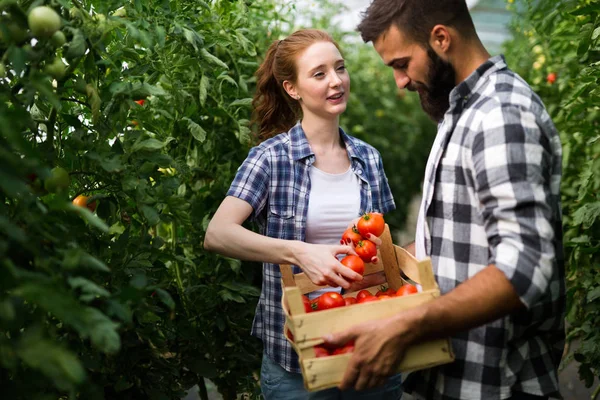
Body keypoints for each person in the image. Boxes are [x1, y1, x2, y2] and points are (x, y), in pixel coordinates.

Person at [323, 1, 565, 400]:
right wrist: (388, 268)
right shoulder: (460, 111)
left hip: (500, 382)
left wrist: (407, 325)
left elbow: (524, 263)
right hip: (459, 375)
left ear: (440, 38)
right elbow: (465, 239)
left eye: (402, 63)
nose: (400, 81)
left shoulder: (500, 114)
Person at [203, 29, 402, 399]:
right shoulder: (270, 158)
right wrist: (298, 251)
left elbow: (383, 247)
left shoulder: (368, 157)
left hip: (368, 344)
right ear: (292, 89)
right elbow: (217, 234)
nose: (336, 81)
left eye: (340, 68)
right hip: (297, 356)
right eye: (319, 73)